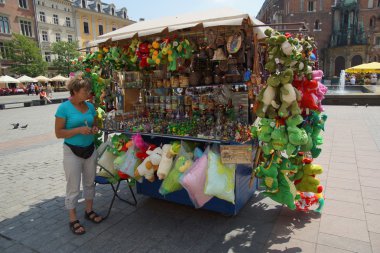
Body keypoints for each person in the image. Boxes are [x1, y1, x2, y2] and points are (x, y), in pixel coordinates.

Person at [54, 75, 103, 235]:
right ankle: (73, 218)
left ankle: (88, 211)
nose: (88, 94)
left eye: (88, 91)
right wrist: (78, 130)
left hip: (89, 148)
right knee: (73, 186)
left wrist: (95, 129)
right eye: (84, 91)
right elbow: (58, 133)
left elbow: (95, 123)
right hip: (72, 151)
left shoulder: (89, 106)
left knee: (89, 183)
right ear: (74, 91)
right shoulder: (64, 108)